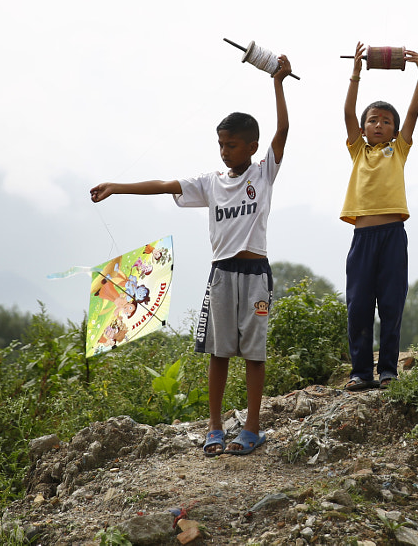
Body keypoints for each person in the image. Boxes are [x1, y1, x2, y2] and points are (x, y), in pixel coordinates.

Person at [89, 56, 291, 456]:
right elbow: (166, 184)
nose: (224, 152)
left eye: (231, 145)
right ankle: (214, 427)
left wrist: (278, 82)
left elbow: (283, 129)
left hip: (255, 275)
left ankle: (252, 427)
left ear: (251, 146)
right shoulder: (209, 184)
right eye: (220, 144)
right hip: (221, 274)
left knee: (254, 352)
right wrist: (118, 185)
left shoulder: (263, 173)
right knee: (218, 352)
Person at [340, 41, 418, 391]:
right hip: (363, 239)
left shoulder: (399, 149)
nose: (379, 124)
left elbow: (414, 112)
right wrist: (356, 73)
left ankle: (388, 370)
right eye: (373, 120)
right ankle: (361, 372)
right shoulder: (357, 150)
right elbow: (347, 113)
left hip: (393, 235)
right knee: (359, 306)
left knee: (391, 303)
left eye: (386, 121)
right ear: (363, 129)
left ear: (394, 130)